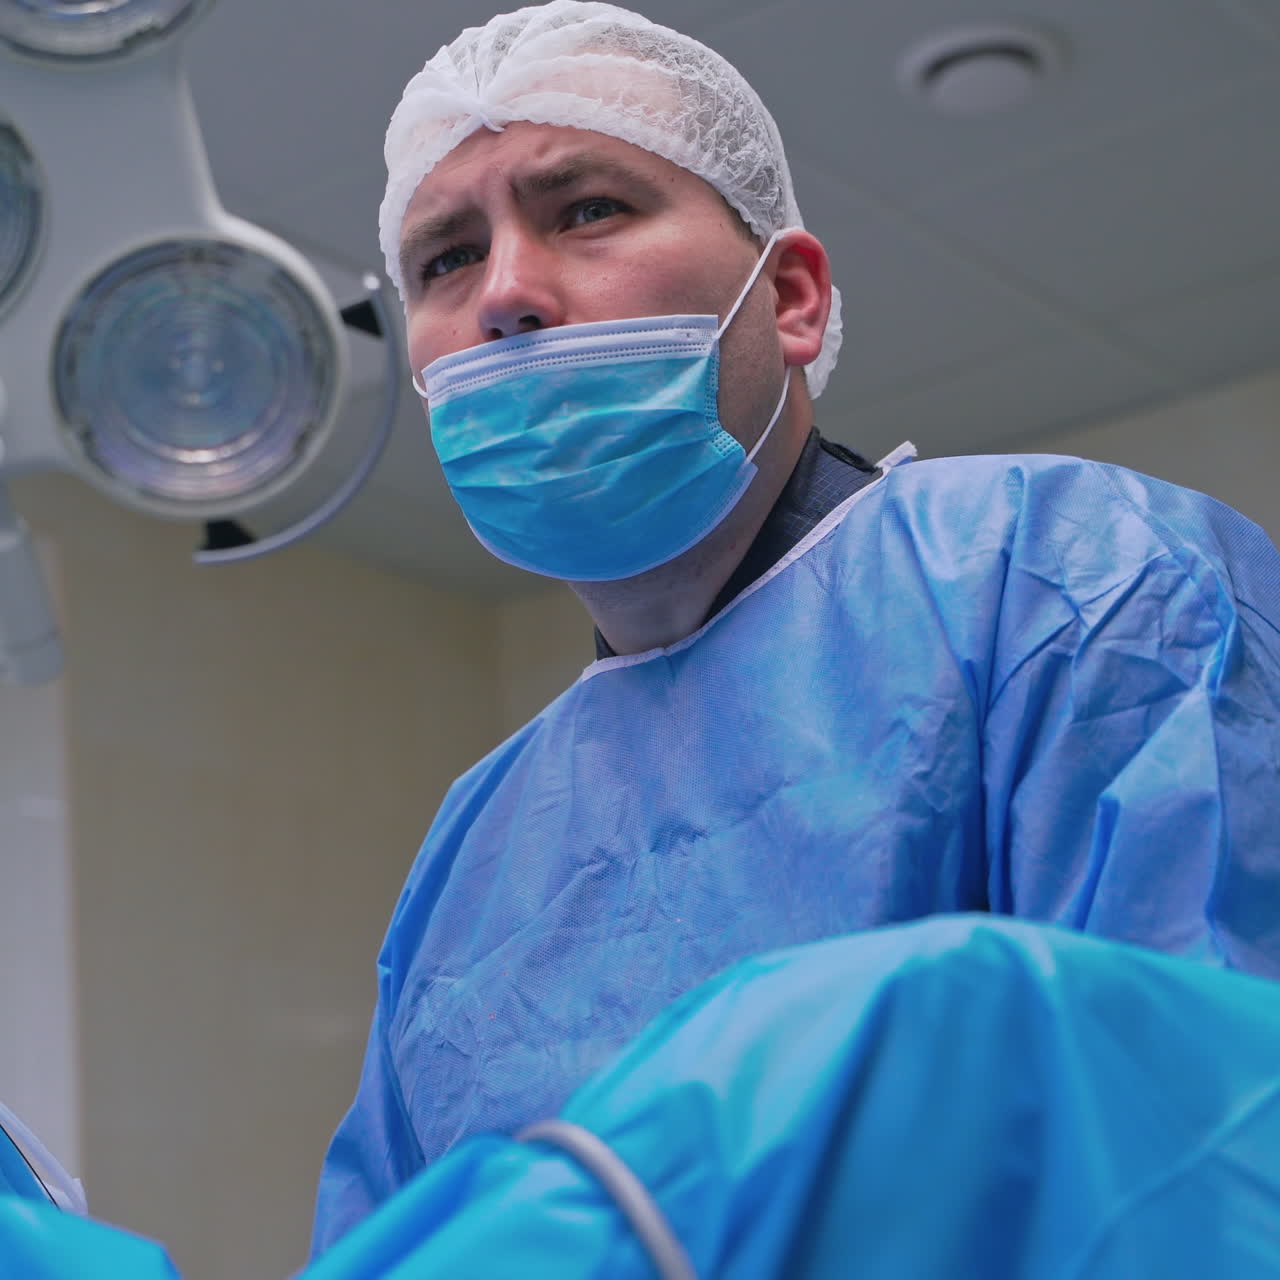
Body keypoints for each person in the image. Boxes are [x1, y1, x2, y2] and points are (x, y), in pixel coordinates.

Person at [311, 0, 1280, 1253]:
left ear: (792, 300)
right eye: (444, 256)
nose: (504, 291)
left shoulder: (1069, 584)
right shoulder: (473, 852)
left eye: (585, 208)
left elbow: (1196, 1146)